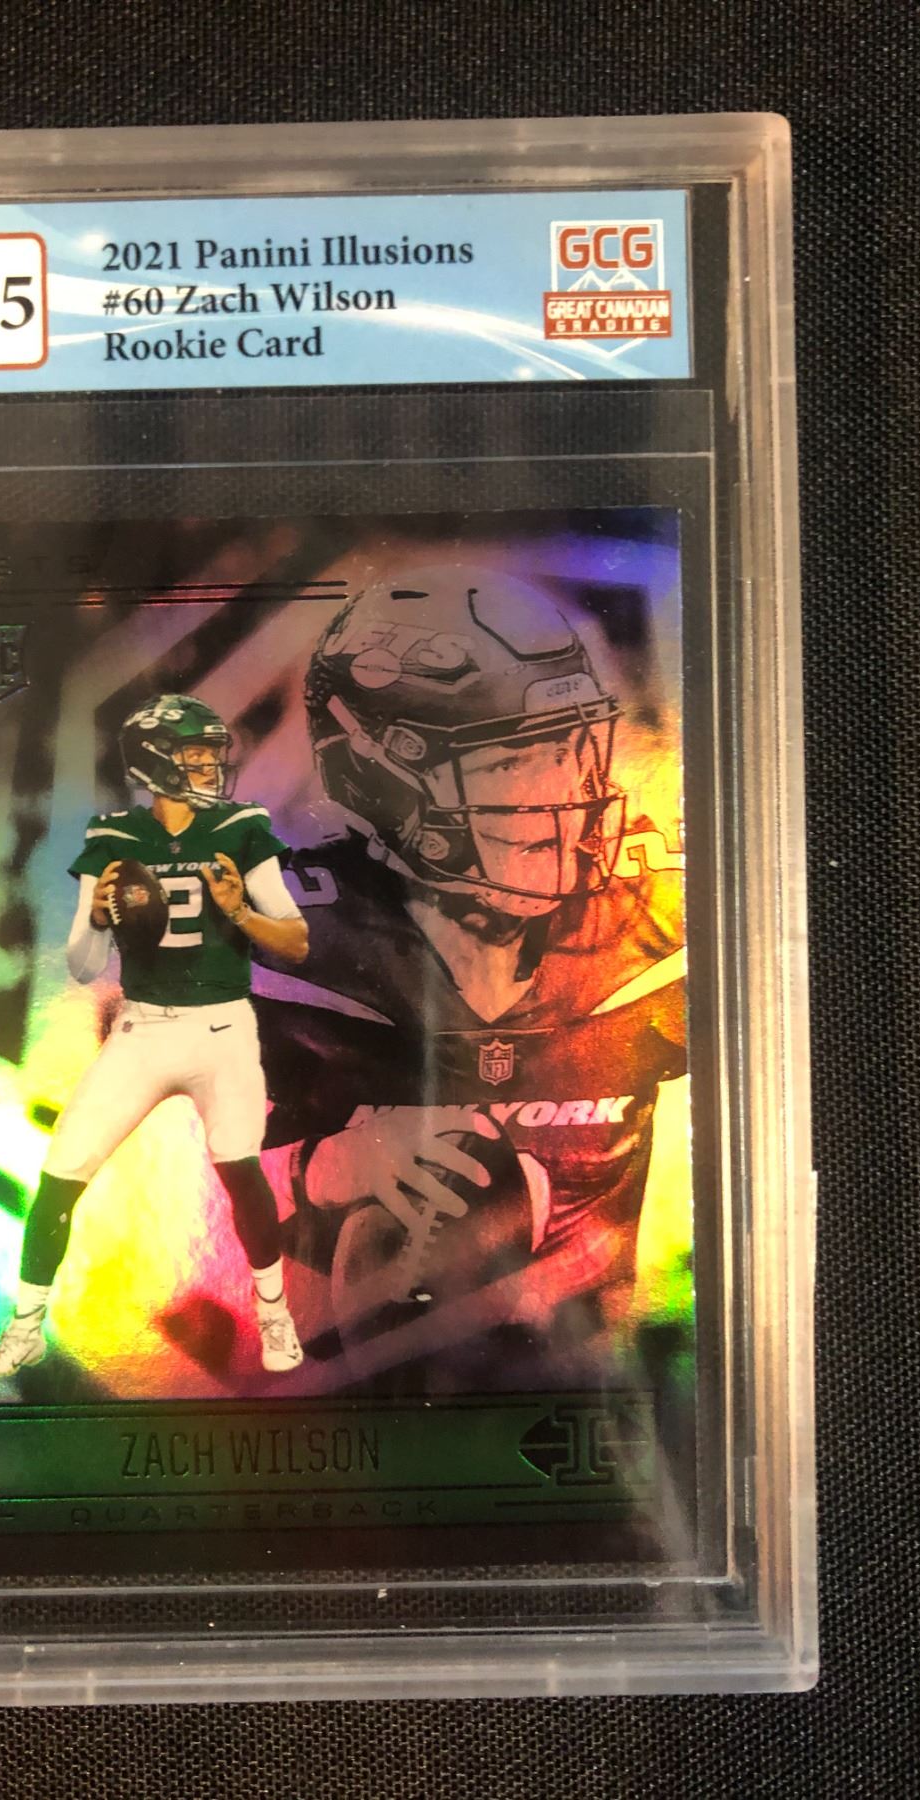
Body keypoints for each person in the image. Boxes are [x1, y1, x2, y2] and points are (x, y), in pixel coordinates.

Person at [254, 569, 686, 1362]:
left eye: (567, 750)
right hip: (343, 1397)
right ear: (379, 775)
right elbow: (153, 1194)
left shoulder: (649, 931)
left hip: (591, 1390)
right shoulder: (295, 945)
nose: (559, 797)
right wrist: (322, 1169)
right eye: (508, 763)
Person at [0, 694, 310, 1380]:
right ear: (155, 762)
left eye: (212, 752)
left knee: (241, 1170)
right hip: (141, 1027)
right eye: (194, 753)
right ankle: (26, 1327)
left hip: (221, 1028)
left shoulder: (242, 827)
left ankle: (275, 1315)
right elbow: (82, 965)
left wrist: (240, 911)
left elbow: (296, 942)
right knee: (59, 1175)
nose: (210, 765)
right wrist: (99, 919)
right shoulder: (115, 837)